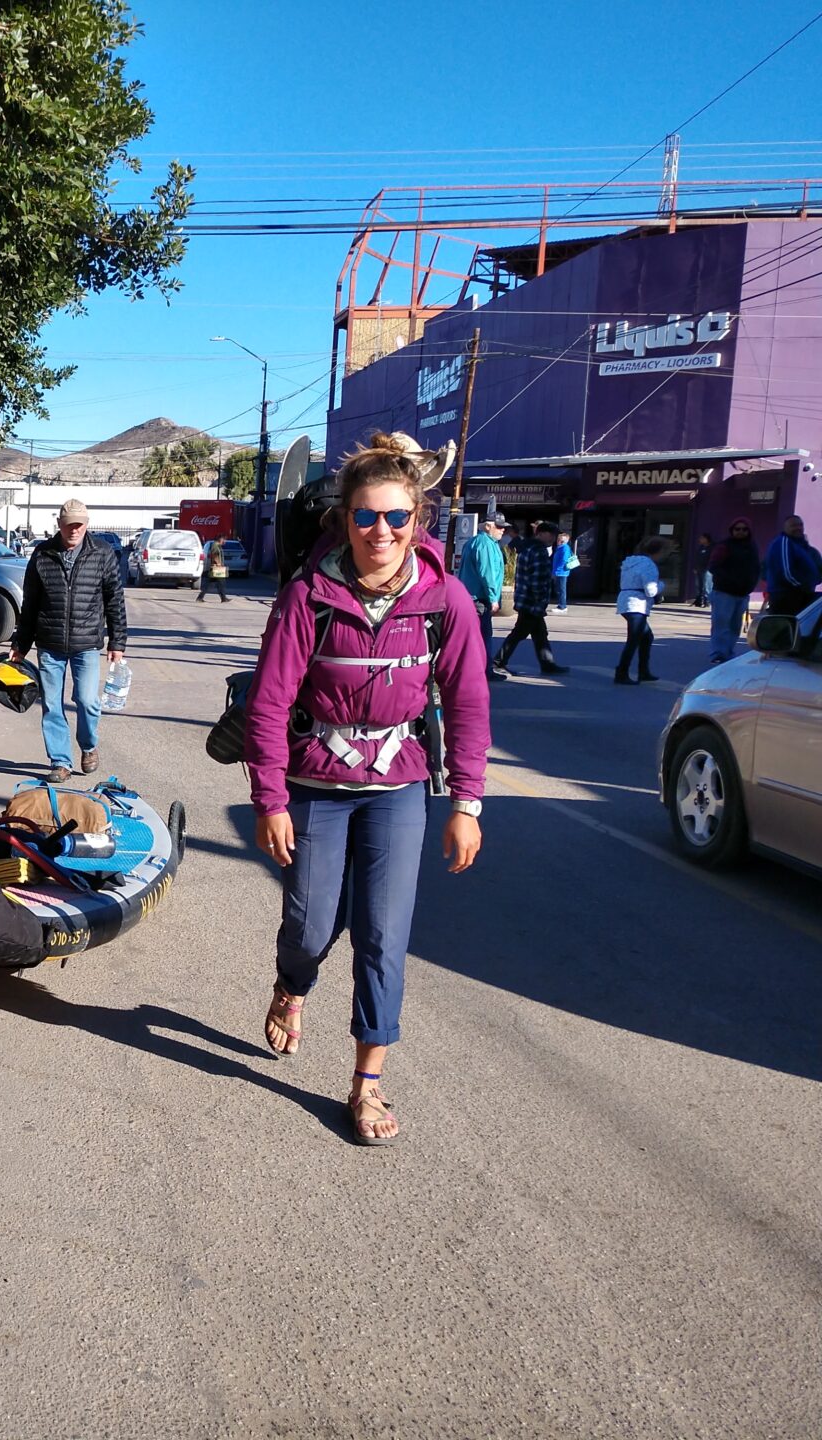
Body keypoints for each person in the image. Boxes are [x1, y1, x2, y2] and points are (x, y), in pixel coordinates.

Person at [244, 432, 490, 1146]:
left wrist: (466, 802)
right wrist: (269, 798)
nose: (380, 532)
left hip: (399, 787)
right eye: (365, 517)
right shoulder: (307, 597)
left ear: (418, 520)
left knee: (384, 936)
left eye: (396, 518)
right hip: (316, 782)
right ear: (344, 519)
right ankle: (293, 985)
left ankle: (368, 1081)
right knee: (312, 927)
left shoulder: (445, 600)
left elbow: (468, 701)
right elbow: (268, 701)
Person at [9, 499, 127, 782]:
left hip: (86, 644)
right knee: (52, 705)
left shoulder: (102, 553)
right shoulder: (42, 554)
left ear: (86, 524)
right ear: (59, 525)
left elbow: (114, 599)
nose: (74, 530)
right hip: (49, 644)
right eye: (68, 524)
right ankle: (60, 761)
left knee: (87, 701)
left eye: (79, 524)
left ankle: (88, 745)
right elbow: (30, 604)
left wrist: (117, 642)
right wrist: (21, 644)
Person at [494, 522, 568, 676]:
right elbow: (538, 580)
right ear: (540, 534)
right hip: (532, 602)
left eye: (555, 535)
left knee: (540, 634)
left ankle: (547, 663)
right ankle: (498, 661)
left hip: (524, 599)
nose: (553, 538)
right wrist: (540, 601)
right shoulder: (538, 551)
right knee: (519, 633)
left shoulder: (526, 548)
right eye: (550, 534)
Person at [457, 515, 507, 681]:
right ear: (487, 526)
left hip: (471, 597)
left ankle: (474, 670)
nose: (502, 530)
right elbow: (488, 573)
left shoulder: (475, 542)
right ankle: (482, 671)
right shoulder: (485, 544)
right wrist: (493, 598)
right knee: (482, 637)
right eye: (499, 526)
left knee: (474, 637)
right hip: (479, 598)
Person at [614, 537, 669, 685]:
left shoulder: (630, 563)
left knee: (646, 636)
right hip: (637, 604)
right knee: (634, 639)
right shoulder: (649, 565)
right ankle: (622, 672)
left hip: (625, 600)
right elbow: (651, 590)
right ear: (657, 551)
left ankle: (643, 671)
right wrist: (662, 585)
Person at [706, 519, 761, 664]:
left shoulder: (751, 547)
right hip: (724, 592)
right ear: (732, 530)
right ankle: (718, 653)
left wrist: (750, 585)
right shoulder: (724, 546)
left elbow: (756, 568)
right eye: (737, 529)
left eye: (744, 529)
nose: (741, 531)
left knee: (735, 626)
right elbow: (713, 566)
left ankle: (728, 652)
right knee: (721, 625)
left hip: (742, 594)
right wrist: (730, 580)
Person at [763, 514, 821, 616]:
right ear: (785, 528)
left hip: (802, 595)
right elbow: (786, 572)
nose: (798, 528)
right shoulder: (783, 542)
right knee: (786, 627)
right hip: (786, 596)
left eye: (800, 525)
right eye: (793, 525)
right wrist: (802, 586)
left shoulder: (803, 548)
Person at [551, 529, 578, 612]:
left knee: (561, 589)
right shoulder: (560, 548)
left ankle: (562, 606)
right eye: (558, 539)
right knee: (559, 589)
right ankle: (561, 605)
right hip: (559, 571)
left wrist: (556, 572)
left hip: (561, 572)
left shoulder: (564, 548)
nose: (558, 541)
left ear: (565, 541)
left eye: (561, 540)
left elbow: (563, 560)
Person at [199, 539, 231, 603]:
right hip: (217, 568)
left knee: (213, 584)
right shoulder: (215, 546)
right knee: (221, 583)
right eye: (224, 540)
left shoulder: (217, 545)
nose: (225, 542)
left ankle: (200, 597)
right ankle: (223, 598)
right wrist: (218, 563)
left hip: (216, 568)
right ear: (221, 539)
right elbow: (214, 555)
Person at [692, 532, 713, 607]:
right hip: (698, 569)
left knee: (706, 586)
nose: (700, 540)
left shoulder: (711, 548)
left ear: (706, 539)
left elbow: (712, 559)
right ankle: (699, 600)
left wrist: (708, 568)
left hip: (707, 570)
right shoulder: (701, 547)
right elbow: (697, 558)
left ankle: (708, 601)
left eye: (702, 538)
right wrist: (695, 567)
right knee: (699, 585)